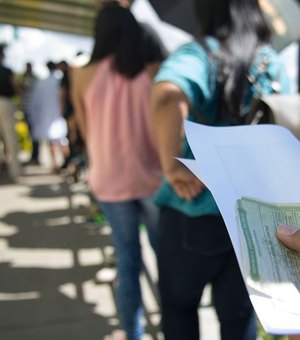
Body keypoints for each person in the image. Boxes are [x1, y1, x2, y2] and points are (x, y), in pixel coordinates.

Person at [150, 0, 290, 339]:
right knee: (238, 319)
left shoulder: (200, 54)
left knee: (179, 309)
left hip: (192, 211)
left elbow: (167, 95)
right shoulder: (271, 63)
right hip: (252, 222)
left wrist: (172, 166)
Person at [71, 3, 166, 339]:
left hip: (108, 181)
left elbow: (85, 133)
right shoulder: (151, 73)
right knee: (164, 259)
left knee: (127, 264)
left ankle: (133, 332)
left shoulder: (81, 75)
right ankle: (172, 327)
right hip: (153, 179)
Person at [28, 61, 69, 172]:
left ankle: (57, 164)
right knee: (62, 140)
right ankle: (65, 163)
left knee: (54, 141)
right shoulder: (58, 80)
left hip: (49, 115)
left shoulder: (42, 83)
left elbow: (35, 102)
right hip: (58, 114)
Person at [0, 43, 21, 181]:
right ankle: (15, 171)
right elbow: (16, 87)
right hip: (6, 103)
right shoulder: (7, 71)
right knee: (10, 137)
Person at [19, 61, 39, 163]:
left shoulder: (34, 79)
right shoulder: (24, 78)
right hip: (27, 110)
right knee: (31, 134)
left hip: (34, 110)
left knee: (35, 134)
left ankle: (35, 156)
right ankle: (34, 156)